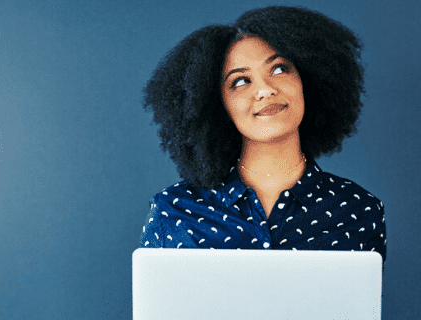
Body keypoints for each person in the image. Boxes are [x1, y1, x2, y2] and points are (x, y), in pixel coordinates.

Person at [138, 6, 386, 262]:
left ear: (308, 80)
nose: (265, 90)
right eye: (241, 81)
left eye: (279, 69)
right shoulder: (173, 211)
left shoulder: (359, 209)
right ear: (216, 105)